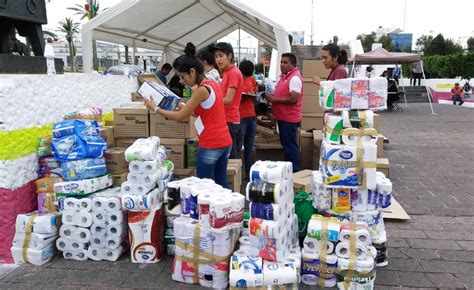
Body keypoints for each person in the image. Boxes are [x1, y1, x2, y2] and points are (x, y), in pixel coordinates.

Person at [144, 43, 232, 188]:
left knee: (203, 185)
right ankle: (232, 208)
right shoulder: (212, 84)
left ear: (192, 71)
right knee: (221, 179)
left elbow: (180, 117)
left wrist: (155, 108)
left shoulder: (201, 90)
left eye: (182, 77)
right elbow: (198, 111)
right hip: (224, 141)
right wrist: (178, 104)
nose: (181, 81)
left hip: (211, 144)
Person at [264, 53, 304, 172]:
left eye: (285, 62)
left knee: (290, 146)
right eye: (281, 62)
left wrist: (274, 99)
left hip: (289, 119)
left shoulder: (295, 78)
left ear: (293, 64)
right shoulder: (285, 76)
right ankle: (289, 169)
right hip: (283, 118)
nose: (282, 65)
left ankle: (295, 171)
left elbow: (294, 99)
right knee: (287, 146)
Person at [211, 42, 244, 159]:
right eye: (216, 56)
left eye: (221, 55)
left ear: (229, 56)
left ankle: (234, 178)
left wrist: (210, 100)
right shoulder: (227, 73)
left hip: (230, 119)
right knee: (229, 155)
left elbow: (228, 99)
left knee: (231, 157)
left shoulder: (233, 73)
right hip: (227, 118)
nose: (218, 60)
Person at [237, 60, 258, 178]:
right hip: (241, 116)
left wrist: (252, 95)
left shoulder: (252, 80)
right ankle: (238, 172)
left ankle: (248, 172)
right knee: (239, 147)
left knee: (249, 146)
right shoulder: (238, 80)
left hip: (251, 116)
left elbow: (254, 97)